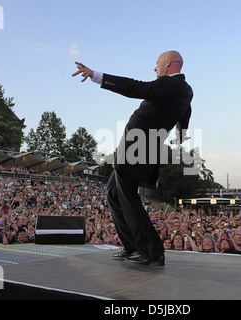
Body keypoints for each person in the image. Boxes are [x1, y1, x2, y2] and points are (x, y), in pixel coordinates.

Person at [72, 51, 193, 266]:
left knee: (126, 194)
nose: (154, 68)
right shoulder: (183, 90)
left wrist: (96, 75)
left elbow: (136, 87)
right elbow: (185, 114)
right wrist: (181, 134)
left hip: (138, 146)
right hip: (141, 146)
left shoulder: (169, 84)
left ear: (167, 63)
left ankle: (151, 251)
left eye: (156, 64)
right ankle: (132, 246)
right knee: (113, 193)